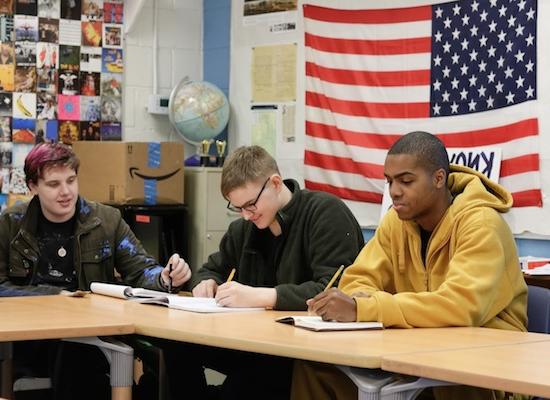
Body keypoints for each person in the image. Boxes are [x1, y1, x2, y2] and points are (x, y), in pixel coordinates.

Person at [293, 131, 528, 400]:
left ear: (439, 178)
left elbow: (461, 307)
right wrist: (356, 302)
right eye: (389, 181)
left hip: (490, 363)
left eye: (406, 181)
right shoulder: (396, 222)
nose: (394, 191)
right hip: (417, 350)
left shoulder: (481, 224)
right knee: (315, 367)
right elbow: (358, 278)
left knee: (453, 376)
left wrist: (365, 308)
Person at [162, 145, 364, 399]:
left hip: (303, 352)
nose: (246, 216)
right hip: (255, 344)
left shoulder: (326, 214)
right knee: (176, 344)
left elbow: (333, 293)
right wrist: (206, 283)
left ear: (275, 183)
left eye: (250, 205)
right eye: (237, 209)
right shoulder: (243, 230)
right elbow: (210, 269)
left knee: (252, 380)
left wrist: (262, 296)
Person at [0, 143, 192, 399]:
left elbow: (140, 269)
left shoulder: (106, 220)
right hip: (29, 336)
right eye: (54, 184)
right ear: (33, 186)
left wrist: (165, 277)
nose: (66, 191)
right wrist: (54, 297)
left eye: (71, 180)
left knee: (79, 351)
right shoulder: (11, 224)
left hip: (89, 338)